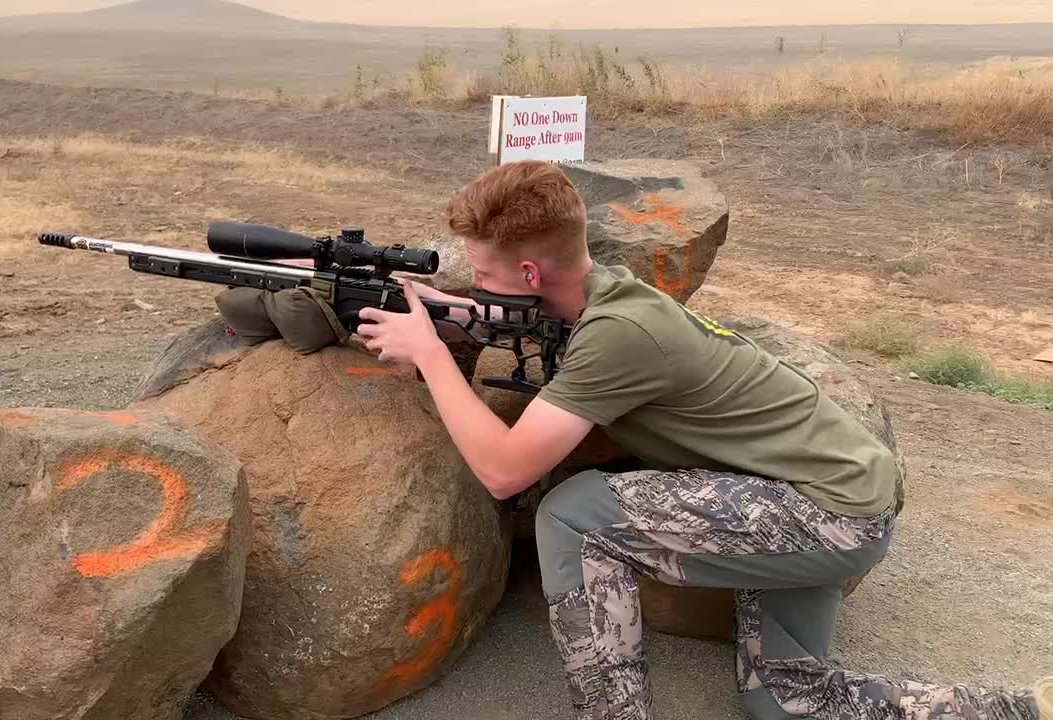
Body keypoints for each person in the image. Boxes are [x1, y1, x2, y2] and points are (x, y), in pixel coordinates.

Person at [354, 159, 1051, 720]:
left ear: (532, 275)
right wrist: (444, 309)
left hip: (824, 512)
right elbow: (518, 316)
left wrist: (430, 353)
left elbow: (504, 471)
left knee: (571, 515)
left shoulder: (618, 337)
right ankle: (1023, 706)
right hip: (835, 492)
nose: (475, 286)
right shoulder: (607, 292)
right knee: (783, 699)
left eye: (481, 272)